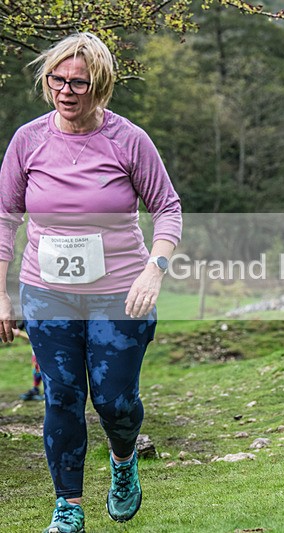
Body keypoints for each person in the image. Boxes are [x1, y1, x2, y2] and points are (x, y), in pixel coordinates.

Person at [0, 33, 182, 532]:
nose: (66, 90)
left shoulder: (128, 140)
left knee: (113, 401)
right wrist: (1, 290)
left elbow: (167, 209)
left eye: (78, 82)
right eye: (57, 79)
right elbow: (5, 217)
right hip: (47, 289)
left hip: (119, 292)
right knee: (61, 397)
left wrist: (155, 269)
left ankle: (124, 461)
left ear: (99, 85)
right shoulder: (29, 140)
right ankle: (68, 507)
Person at [14, 321, 45, 401]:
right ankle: (36, 389)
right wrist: (16, 330)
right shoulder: (29, 316)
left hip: (48, 346)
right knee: (36, 368)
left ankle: (50, 391)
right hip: (36, 347)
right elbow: (20, 326)